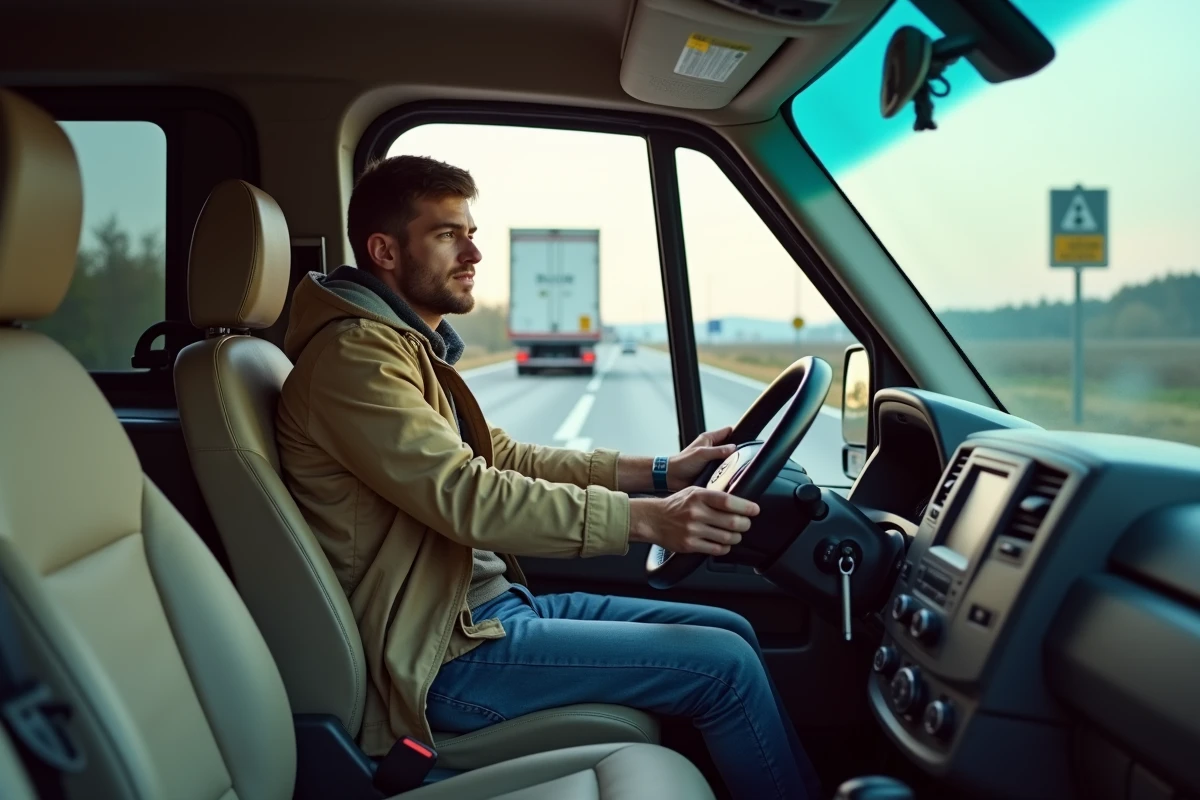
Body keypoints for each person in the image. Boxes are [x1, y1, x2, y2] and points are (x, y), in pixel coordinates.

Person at [275, 155, 821, 799]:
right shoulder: (355, 356)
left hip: (487, 612)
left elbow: (500, 457)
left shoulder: (399, 348)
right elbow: (467, 495)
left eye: (471, 231)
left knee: (734, 631)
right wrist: (650, 520)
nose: (474, 251)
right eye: (448, 234)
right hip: (441, 657)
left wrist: (662, 472)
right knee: (725, 668)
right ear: (384, 251)